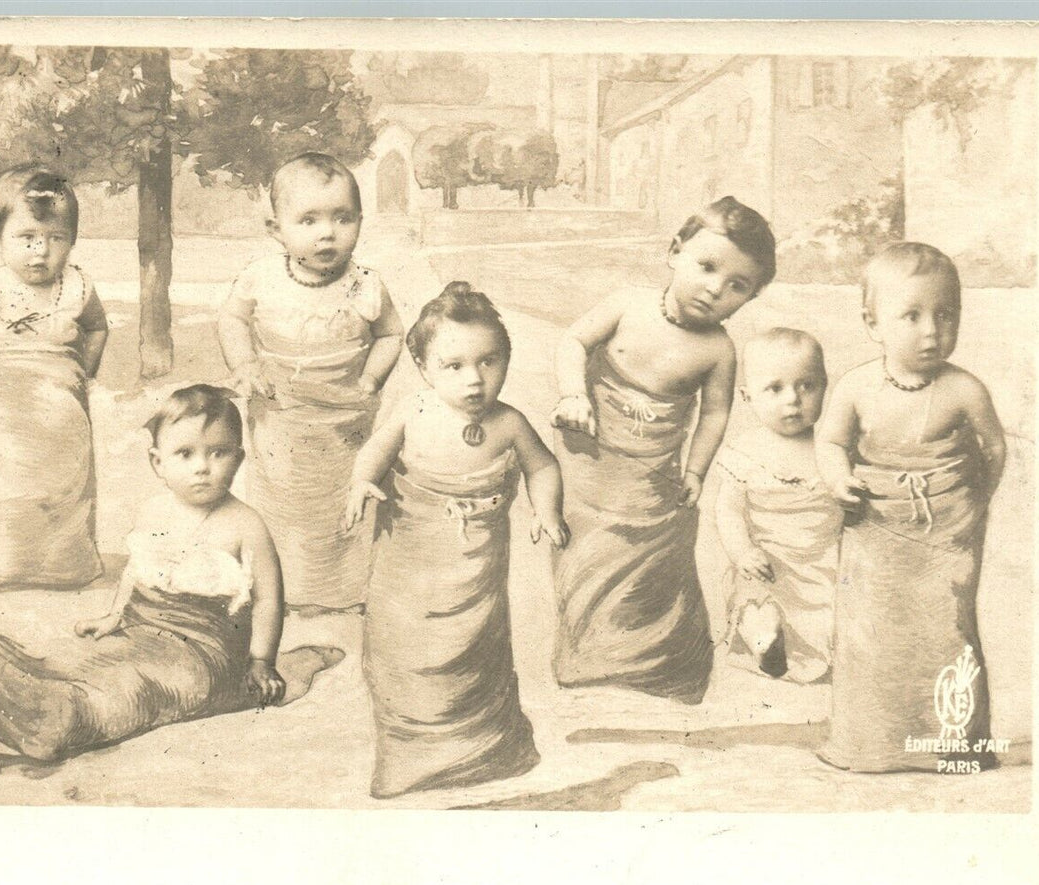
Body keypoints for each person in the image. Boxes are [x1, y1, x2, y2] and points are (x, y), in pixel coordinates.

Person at [0, 385, 343, 762]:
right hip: (140, 627)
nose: (202, 467)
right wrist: (114, 615)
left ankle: (70, 719)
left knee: (141, 684)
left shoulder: (246, 525)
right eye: (185, 453)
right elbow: (136, 570)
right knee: (87, 659)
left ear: (239, 459)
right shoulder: (154, 511)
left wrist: (261, 661)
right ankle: (28, 688)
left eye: (219, 452)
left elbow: (268, 601)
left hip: (202, 651)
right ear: (157, 462)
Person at [549, 196, 777, 703]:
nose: (716, 288)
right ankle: (589, 668)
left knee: (654, 574)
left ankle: (657, 672)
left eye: (737, 285)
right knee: (586, 566)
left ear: (749, 298)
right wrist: (572, 393)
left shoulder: (718, 349)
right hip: (592, 474)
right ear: (675, 251)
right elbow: (573, 343)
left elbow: (715, 413)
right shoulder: (628, 304)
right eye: (707, 266)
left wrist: (696, 470)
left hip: (655, 482)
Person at [345, 282, 566, 798]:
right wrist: (361, 481)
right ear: (423, 366)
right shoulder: (413, 410)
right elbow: (376, 451)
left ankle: (483, 751)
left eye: (489, 362)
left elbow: (544, 466)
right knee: (405, 650)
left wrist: (547, 509)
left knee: (473, 651)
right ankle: (411, 759)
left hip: (476, 569)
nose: (475, 380)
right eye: (455, 366)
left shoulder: (509, 422)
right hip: (412, 557)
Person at [815, 243, 1006, 772]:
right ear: (872, 323)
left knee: (948, 632)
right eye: (912, 315)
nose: (932, 331)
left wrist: (971, 505)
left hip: (946, 533)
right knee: (869, 633)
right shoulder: (856, 386)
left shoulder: (965, 390)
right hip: (874, 528)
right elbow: (830, 443)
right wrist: (839, 478)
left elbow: (993, 449)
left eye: (947, 314)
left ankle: (953, 747)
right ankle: (870, 744)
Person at [218, 152, 404, 616]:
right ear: (276, 228)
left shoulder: (365, 284)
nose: (327, 233)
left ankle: (341, 592)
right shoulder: (261, 277)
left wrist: (371, 378)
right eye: (308, 220)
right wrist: (244, 362)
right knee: (284, 504)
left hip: (344, 417)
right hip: (281, 412)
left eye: (342, 218)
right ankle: (282, 589)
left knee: (345, 502)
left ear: (360, 222)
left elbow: (391, 334)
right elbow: (232, 318)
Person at [0, 165, 108, 591]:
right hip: (0, 400)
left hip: (62, 397)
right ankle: (0, 562)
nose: (41, 252)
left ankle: (64, 563)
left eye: (55, 239)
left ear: (71, 241)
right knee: (12, 478)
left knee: (65, 481)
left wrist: (85, 371)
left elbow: (98, 327)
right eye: (27, 239)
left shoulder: (77, 286)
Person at [714, 328, 840, 683]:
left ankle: (807, 649)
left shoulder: (832, 447)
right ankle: (765, 642)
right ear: (747, 396)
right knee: (758, 603)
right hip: (768, 558)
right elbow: (728, 510)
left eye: (807, 386)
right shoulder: (746, 450)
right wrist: (742, 552)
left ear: (825, 387)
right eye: (775, 388)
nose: (793, 400)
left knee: (834, 612)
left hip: (823, 559)